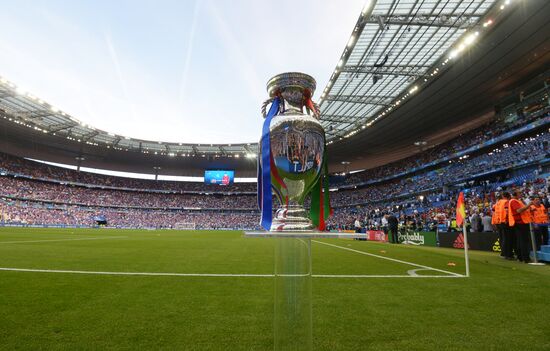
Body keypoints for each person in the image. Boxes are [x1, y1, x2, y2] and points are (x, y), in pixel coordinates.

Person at [508, 190, 533, 263]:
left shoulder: (517, 201)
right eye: (519, 193)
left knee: (520, 241)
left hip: (521, 222)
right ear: (515, 194)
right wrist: (528, 205)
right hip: (521, 223)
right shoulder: (514, 201)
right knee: (523, 241)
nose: (521, 194)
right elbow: (519, 211)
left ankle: (521, 257)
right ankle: (525, 258)